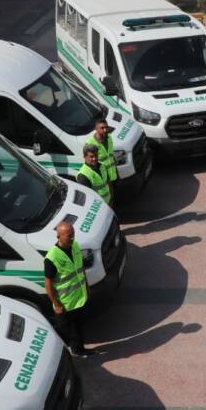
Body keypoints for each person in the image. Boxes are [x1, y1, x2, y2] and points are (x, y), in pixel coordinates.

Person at [43, 221, 90, 357]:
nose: (72, 238)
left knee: (79, 328)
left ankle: (80, 350)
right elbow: (48, 284)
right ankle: (76, 352)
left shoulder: (74, 246)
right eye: (69, 236)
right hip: (66, 303)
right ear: (59, 236)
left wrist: (86, 287)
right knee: (70, 331)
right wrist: (56, 304)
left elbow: (80, 269)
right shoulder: (52, 258)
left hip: (80, 298)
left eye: (73, 235)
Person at [87, 117, 118, 198]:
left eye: (106, 127)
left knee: (112, 193)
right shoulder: (90, 143)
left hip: (111, 173)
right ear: (96, 129)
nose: (105, 130)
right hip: (102, 176)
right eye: (102, 128)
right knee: (106, 196)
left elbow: (110, 155)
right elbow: (90, 162)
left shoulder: (109, 138)